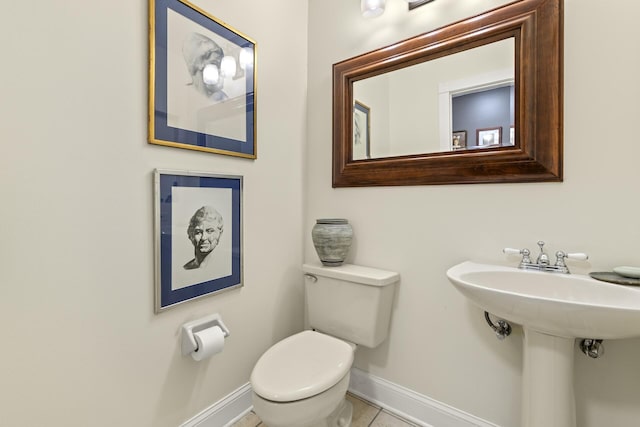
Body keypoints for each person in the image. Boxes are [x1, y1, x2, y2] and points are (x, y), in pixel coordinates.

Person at [182, 32, 228, 101]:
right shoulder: (184, 95)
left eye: (220, 65)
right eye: (215, 64)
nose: (221, 72)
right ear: (198, 64)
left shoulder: (222, 97)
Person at [183, 206, 224, 270]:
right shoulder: (185, 268)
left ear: (220, 234)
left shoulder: (223, 268)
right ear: (190, 234)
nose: (203, 237)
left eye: (210, 231)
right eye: (198, 232)